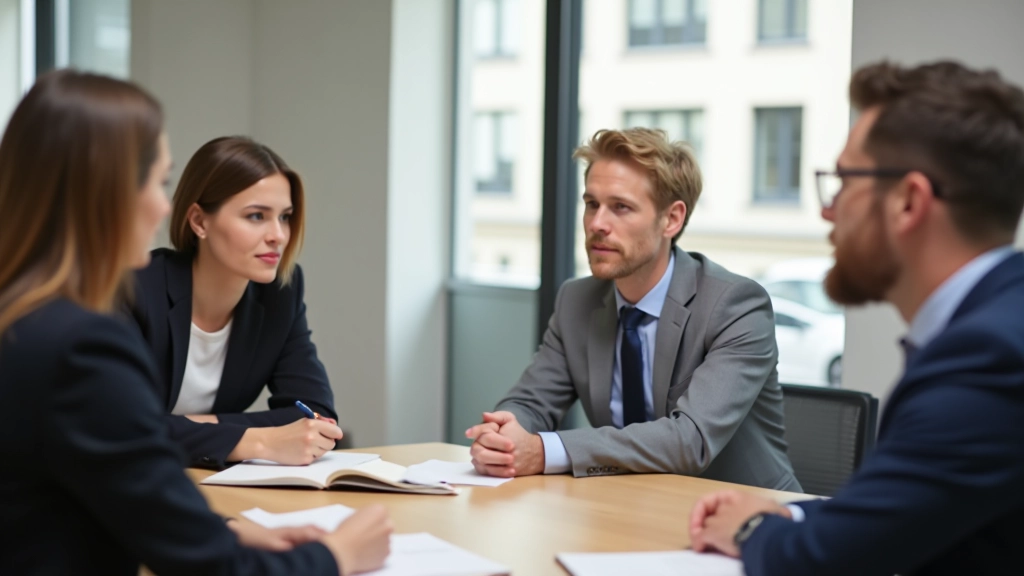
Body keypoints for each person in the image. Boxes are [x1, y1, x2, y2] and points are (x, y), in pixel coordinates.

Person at [0, 69, 391, 576]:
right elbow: (208, 567)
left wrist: (226, 523)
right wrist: (335, 556)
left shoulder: (25, 317)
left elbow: (99, 488)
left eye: (285, 216)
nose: (165, 204)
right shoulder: (81, 343)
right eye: (157, 182)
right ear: (104, 191)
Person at [689, 60, 1024, 576]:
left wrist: (751, 528)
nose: (829, 210)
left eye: (844, 181)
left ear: (909, 202)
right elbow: (916, 510)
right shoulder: (1000, 319)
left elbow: (825, 560)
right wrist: (789, 511)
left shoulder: (989, 358)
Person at [466, 128, 801, 491]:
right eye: (592, 204)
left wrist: (545, 451)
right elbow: (532, 400)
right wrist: (505, 432)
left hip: (750, 520)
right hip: (630, 509)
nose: (597, 224)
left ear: (671, 219)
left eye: (620, 207)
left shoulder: (735, 306)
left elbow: (689, 440)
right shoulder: (577, 301)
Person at [128, 136, 342, 468]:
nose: (279, 235)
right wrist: (256, 440)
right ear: (199, 221)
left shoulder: (281, 293)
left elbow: (318, 416)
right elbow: (119, 426)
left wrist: (193, 427)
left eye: (284, 216)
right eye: (257, 216)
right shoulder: (135, 287)